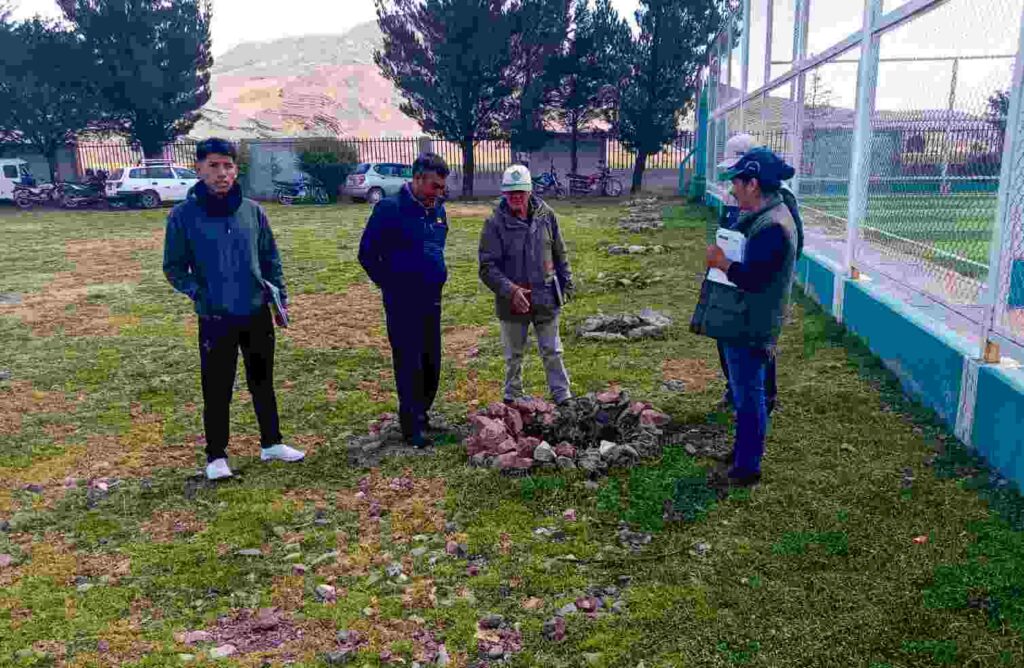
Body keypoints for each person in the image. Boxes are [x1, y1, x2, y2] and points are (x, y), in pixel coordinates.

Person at [163, 137, 305, 481]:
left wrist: (279, 299)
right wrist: (200, 294)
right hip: (215, 317)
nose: (221, 173)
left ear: (236, 169)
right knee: (217, 388)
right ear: (199, 169)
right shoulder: (182, 216)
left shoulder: (253, 211)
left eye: (227, 166)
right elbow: (174, 267)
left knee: (262, 381)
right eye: (213, 166)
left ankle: (272, 443)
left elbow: (270, 259)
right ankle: (216, 456)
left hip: (255, 312)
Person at [692, 147, 800, 488]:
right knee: (744, 394)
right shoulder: (774, 214)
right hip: (747, 318)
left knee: (750, 396)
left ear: (753, 184)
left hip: (751, 324)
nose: (733, 189)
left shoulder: (772, 226)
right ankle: (742, 452)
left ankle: (747, 468)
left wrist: (722, 263)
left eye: (737, 182)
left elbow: (754, 279)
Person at [359, 153, 450, 448]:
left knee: (431, 360)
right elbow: (367, 254)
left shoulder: (438, 210)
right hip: (402, 302)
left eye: (442, 187)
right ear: (417, 178)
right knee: (409, 362)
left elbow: (436, 245)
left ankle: (422, 413)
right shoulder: (389, 209)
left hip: (431, 299)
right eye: (435, 186)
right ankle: (411, 426)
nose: (439, 192)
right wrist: (392, 284)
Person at [713, 134, 805, 416]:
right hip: (736, 270)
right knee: (726, 336)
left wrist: (742, 266)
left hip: (756, 280)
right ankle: (735, 389)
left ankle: (765, 397)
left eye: (736, 174)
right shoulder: (737, 191)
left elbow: (790, 242)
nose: (733, 186)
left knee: (757, 347)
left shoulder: (778, 199)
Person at [479, 164, 574, 406]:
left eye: (520, 192)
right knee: (514, 356)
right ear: (504, 193)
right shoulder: (494, 223)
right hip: (512, 301)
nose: (516, 198)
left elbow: (559, 251)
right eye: (511, 193)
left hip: (546, 296)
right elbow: (487, 267)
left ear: (530, 191)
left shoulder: (546, 214)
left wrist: (567, 281)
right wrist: (510, 290)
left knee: (553, 351)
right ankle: (512, 397)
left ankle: (562, 395)